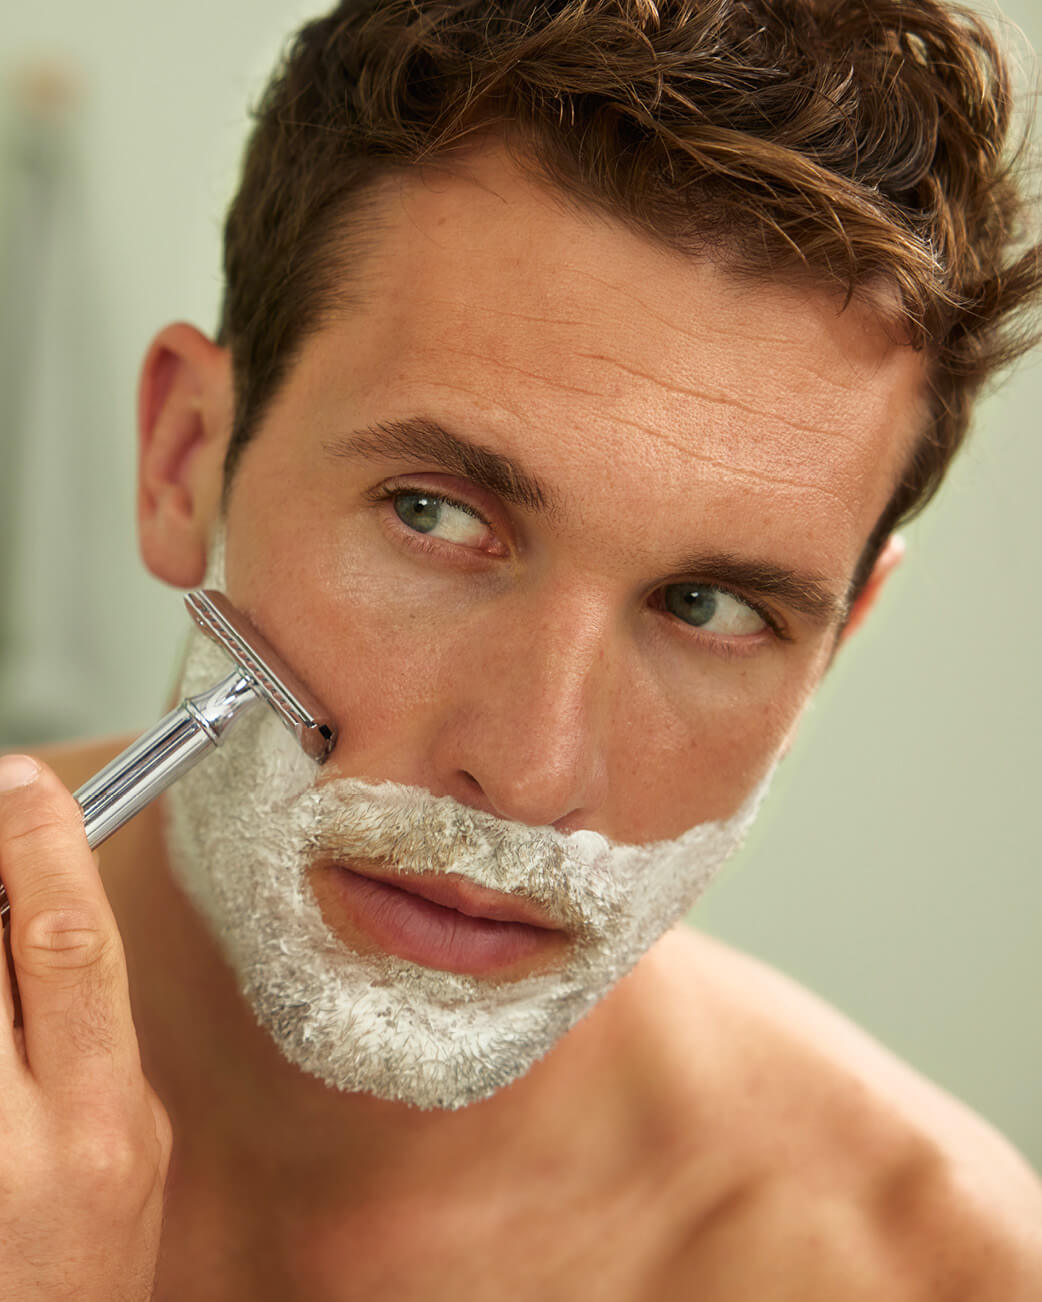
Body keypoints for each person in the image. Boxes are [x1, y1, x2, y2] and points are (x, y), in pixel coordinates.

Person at [1, 0, 1041, 1295]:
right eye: (435, 514)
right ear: (182, 459)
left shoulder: (937, 1266)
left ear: (834, 643)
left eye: (711, 605)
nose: (534, 769)